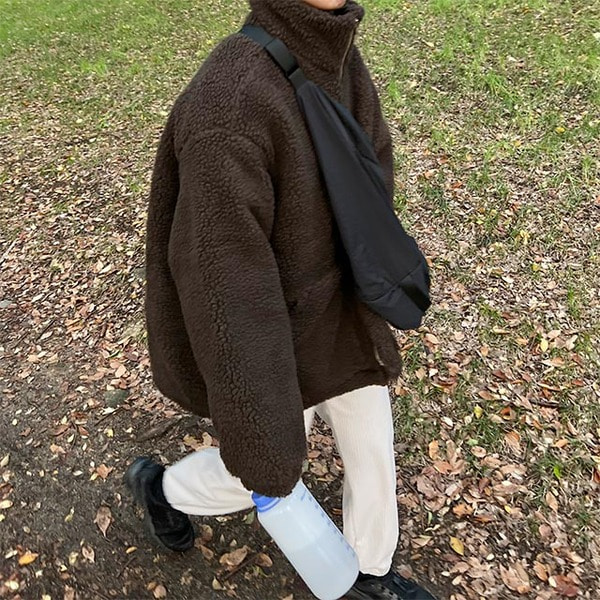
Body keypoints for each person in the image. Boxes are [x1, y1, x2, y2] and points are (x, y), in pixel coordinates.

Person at [126, 1, 437, 598]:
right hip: (275, 344)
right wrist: (260, 428)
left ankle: (370, 573)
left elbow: (369, 173)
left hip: (340, 316)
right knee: (263, 469)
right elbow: (224, 292)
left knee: (372, 446)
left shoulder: (335, 52)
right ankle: (161, 488)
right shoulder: (227, 103)